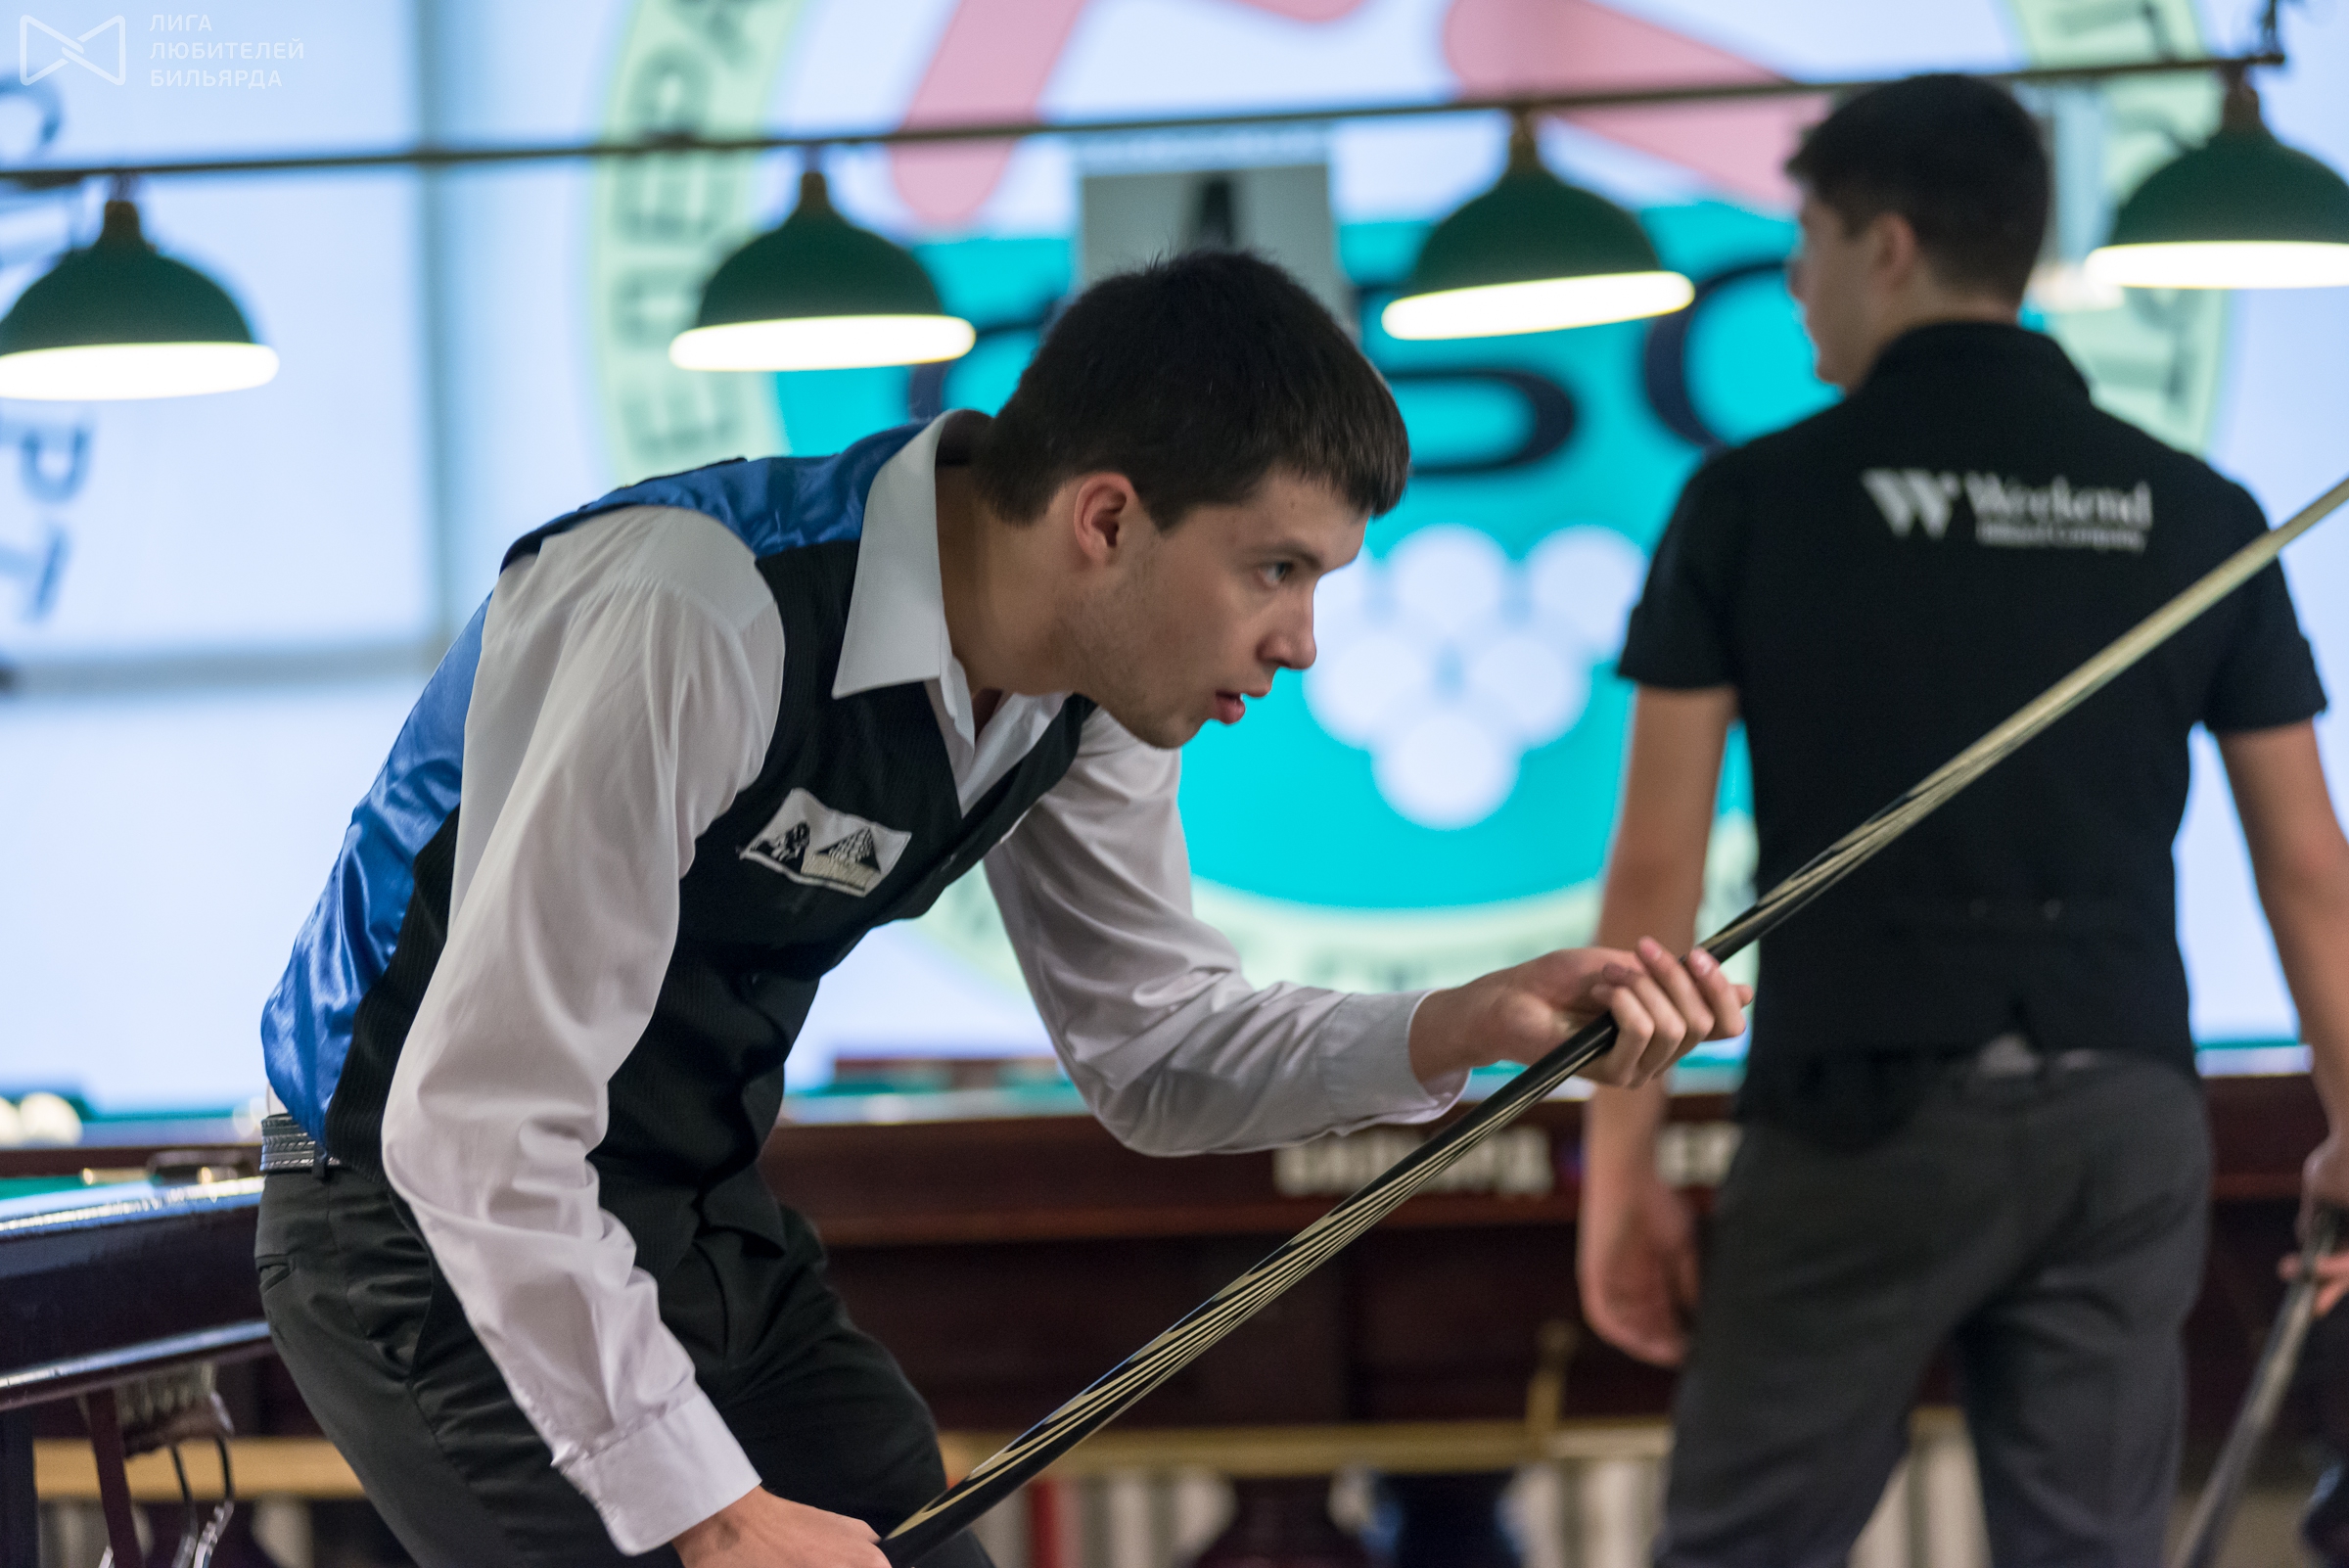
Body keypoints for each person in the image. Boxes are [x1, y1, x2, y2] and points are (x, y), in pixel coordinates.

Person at [253, 251, 1750, 1568]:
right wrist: (712, 1512)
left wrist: (1464, 1021)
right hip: (416, 1224)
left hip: (690, 1216)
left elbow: (1157, 1050)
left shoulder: (1087, 697)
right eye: (1275, 569)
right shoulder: (695, 611)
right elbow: (475, 1122)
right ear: (1107, 518)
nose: (1302, 642)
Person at [1574, 74, 2349, 1567]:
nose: (1791, 279)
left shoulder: (1751, 500)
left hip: (1858, 1121)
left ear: (1888, 247)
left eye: (1806, 239)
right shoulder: (2193, 506)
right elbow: (2308, 863)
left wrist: (1620, 1174)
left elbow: (1657, 863)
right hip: (2122, 1114)